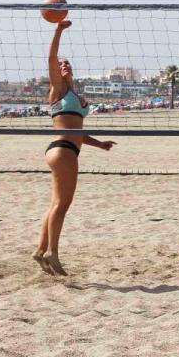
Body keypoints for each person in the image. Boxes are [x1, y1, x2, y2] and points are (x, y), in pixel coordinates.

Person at [34, 19, 116, 276]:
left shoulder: (75, 95)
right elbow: (51, 57)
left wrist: (99, 144)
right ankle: (53, 253)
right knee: (62, 205)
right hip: (63, 150)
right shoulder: (58, 89)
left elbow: (76, 130)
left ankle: (40, 250)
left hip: (66, 148)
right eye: (60, 65)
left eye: (67, 63)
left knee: (55, 204)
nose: (63, 65)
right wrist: (58, 30)